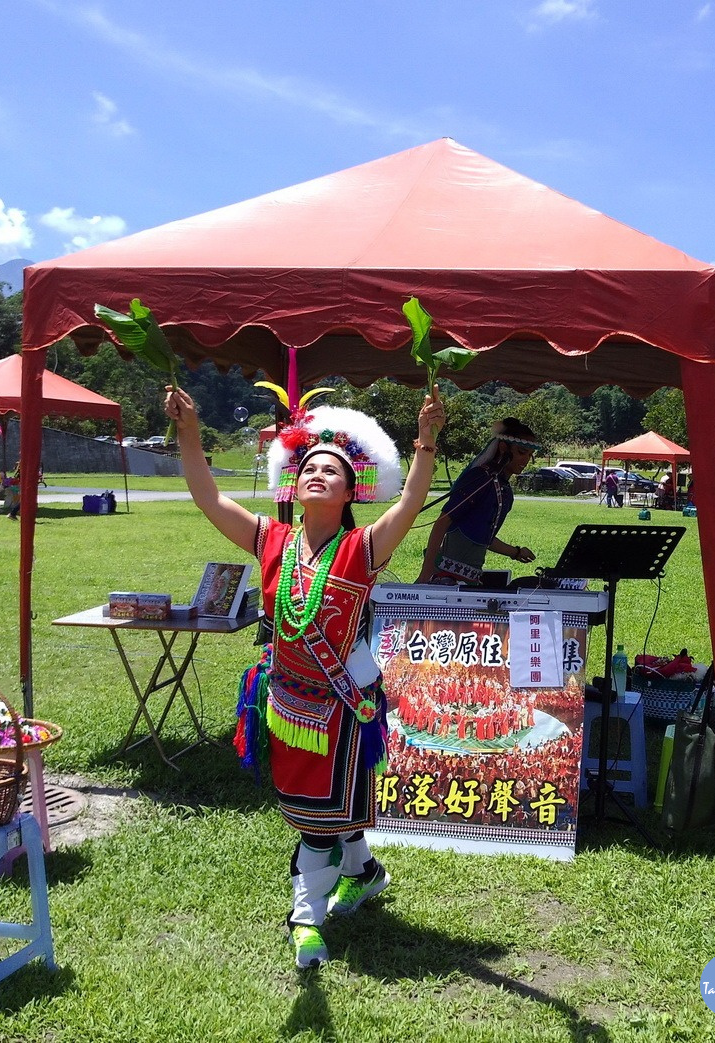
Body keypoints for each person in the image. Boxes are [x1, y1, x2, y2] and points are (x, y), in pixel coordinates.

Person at [165, 383, 444, 970]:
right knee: (325, 804)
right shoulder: (270, 539)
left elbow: (412, 501)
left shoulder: (363, 549)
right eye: (308, 467)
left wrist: (426, 441)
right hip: (288, 704)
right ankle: (365, 873)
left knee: (318, 820)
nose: (316, 475)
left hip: (343, 707)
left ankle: (305, 917)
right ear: (294, 482)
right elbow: (209, 498)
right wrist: (190, 435)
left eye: (331, 471)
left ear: (350, 493)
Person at [416, 418, 539, 585]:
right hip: (444, 578)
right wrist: (427, 570)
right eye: (521, 452)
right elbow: (442, 522)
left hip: (470, 580)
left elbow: (483, 537)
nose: (525, 461)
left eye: (530, 455)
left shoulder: (505, 491)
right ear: (503, 448)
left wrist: (515, 552)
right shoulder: (480, 478)